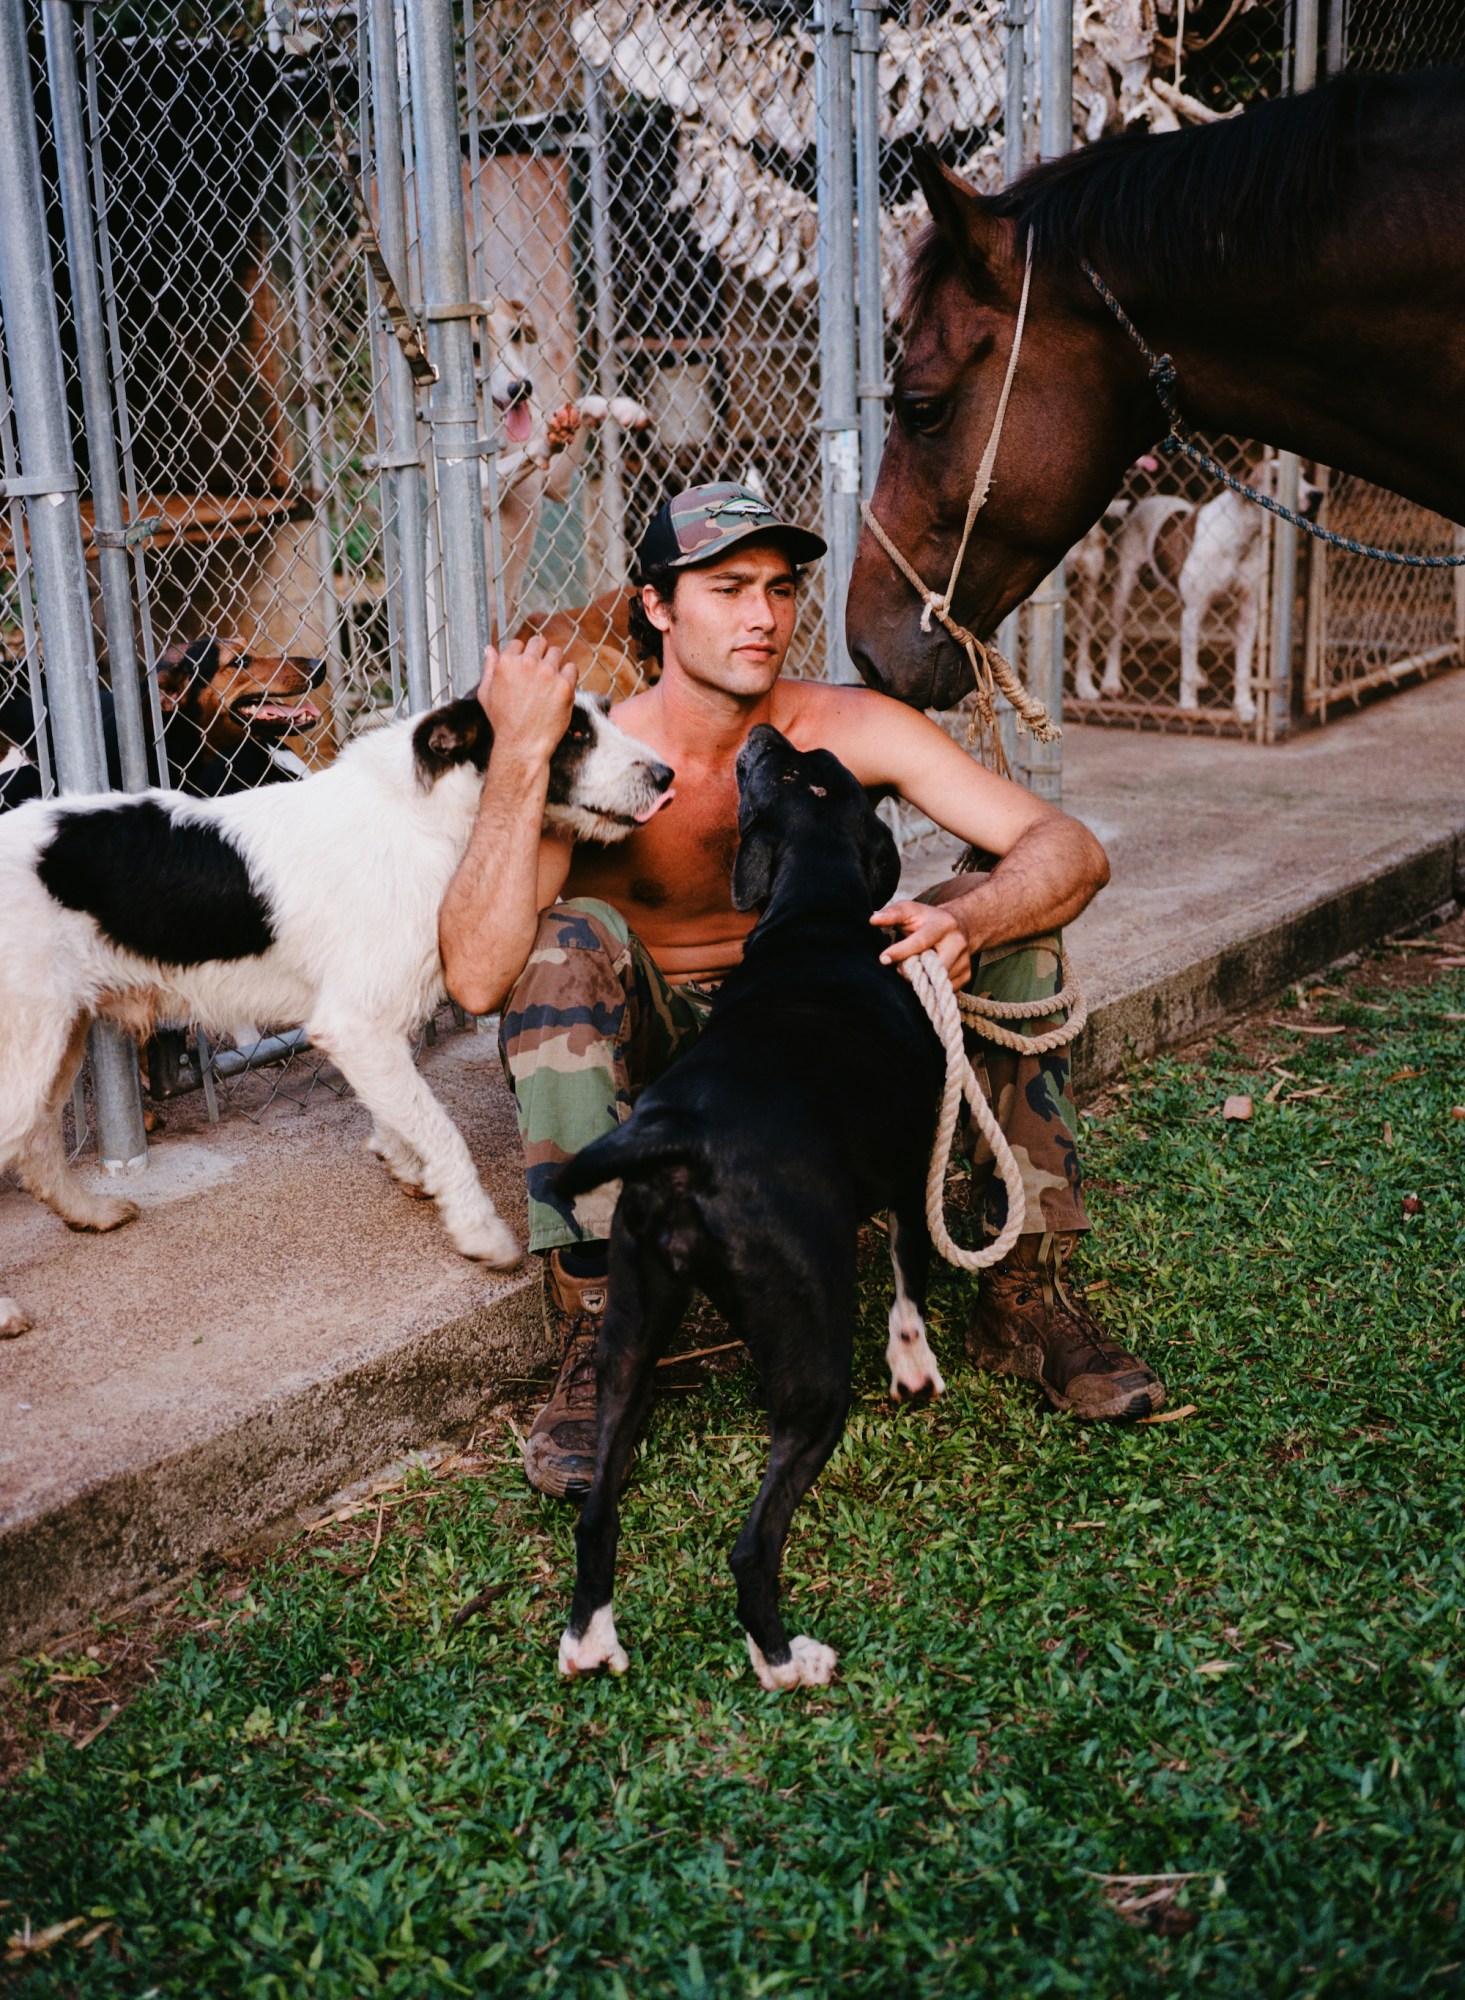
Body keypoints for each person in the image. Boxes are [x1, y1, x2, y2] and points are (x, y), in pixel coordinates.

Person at [440, 482, 1165, 1500]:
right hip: (684, 1050)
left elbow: (1068, 850)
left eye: (780, 590)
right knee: (564, 941)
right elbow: (475, 972)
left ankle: (1020, 1292)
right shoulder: (599, 758)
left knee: (1016, 928)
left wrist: (970, 921)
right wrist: (521, 753)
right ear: (656, 606)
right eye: (727, 588)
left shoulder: (849, 724)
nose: (762, 616)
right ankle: (606, 1327)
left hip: (827, 1026)